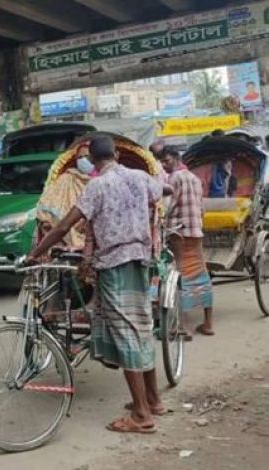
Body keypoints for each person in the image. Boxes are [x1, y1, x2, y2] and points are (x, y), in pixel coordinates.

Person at [27, 134, 165, 434]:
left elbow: (64, 225)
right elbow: (163, 189)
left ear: (94, 159)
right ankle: (153, 400)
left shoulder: (97, 186)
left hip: (114, 266)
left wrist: (34, 253)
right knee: (140, 326)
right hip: (140, 262)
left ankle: (142, 415)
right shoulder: (140, 177)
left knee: (126, 333)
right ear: (116, 153)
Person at [160, 147, 214, 337]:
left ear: (175, 159)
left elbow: (166, 208)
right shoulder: (195, 178)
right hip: (196, 231)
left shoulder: (173, 179)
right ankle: (208, 323)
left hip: (178, 232)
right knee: (201, 273)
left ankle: (183, 327)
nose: (164, 165)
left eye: (166, 161)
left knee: (178, 274)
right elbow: (201, 207)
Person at [36, 144, 95, 251]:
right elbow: (49, 204)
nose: (84, 160)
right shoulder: (66, 178)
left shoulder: (103, 180)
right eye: (80, 158)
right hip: (66, 233)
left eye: (87, 156)